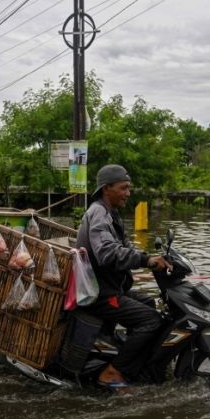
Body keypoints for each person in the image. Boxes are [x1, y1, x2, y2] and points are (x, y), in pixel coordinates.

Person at [76, 164, 173, 390]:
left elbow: (125, 246)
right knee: (152, 320)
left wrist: (150, 257)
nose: (128, 193)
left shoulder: (111, 214)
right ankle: (114, 372)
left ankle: (136, 361)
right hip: (100, 293)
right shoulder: (98, 213)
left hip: (112, 287)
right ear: (106, 188)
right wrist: (145, 261)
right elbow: (107, 253)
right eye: (124, 188)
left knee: (150, 303)